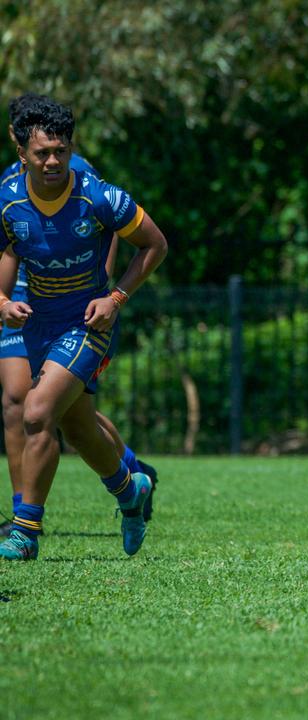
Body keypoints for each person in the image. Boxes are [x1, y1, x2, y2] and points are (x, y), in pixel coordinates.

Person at [0, 96, 167, 560]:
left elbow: (154, 244)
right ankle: (130, 492)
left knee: (35, 413)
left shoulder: (98, 195)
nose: (52, 160)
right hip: (38, 323)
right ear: (22, 154)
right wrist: (2, 302)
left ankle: (25, 531)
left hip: (86, 324)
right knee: (77, 428)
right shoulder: (7, 200)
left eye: (60, 150)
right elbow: (6, 250)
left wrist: (114, 297)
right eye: (41, 153)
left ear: (71, 147)